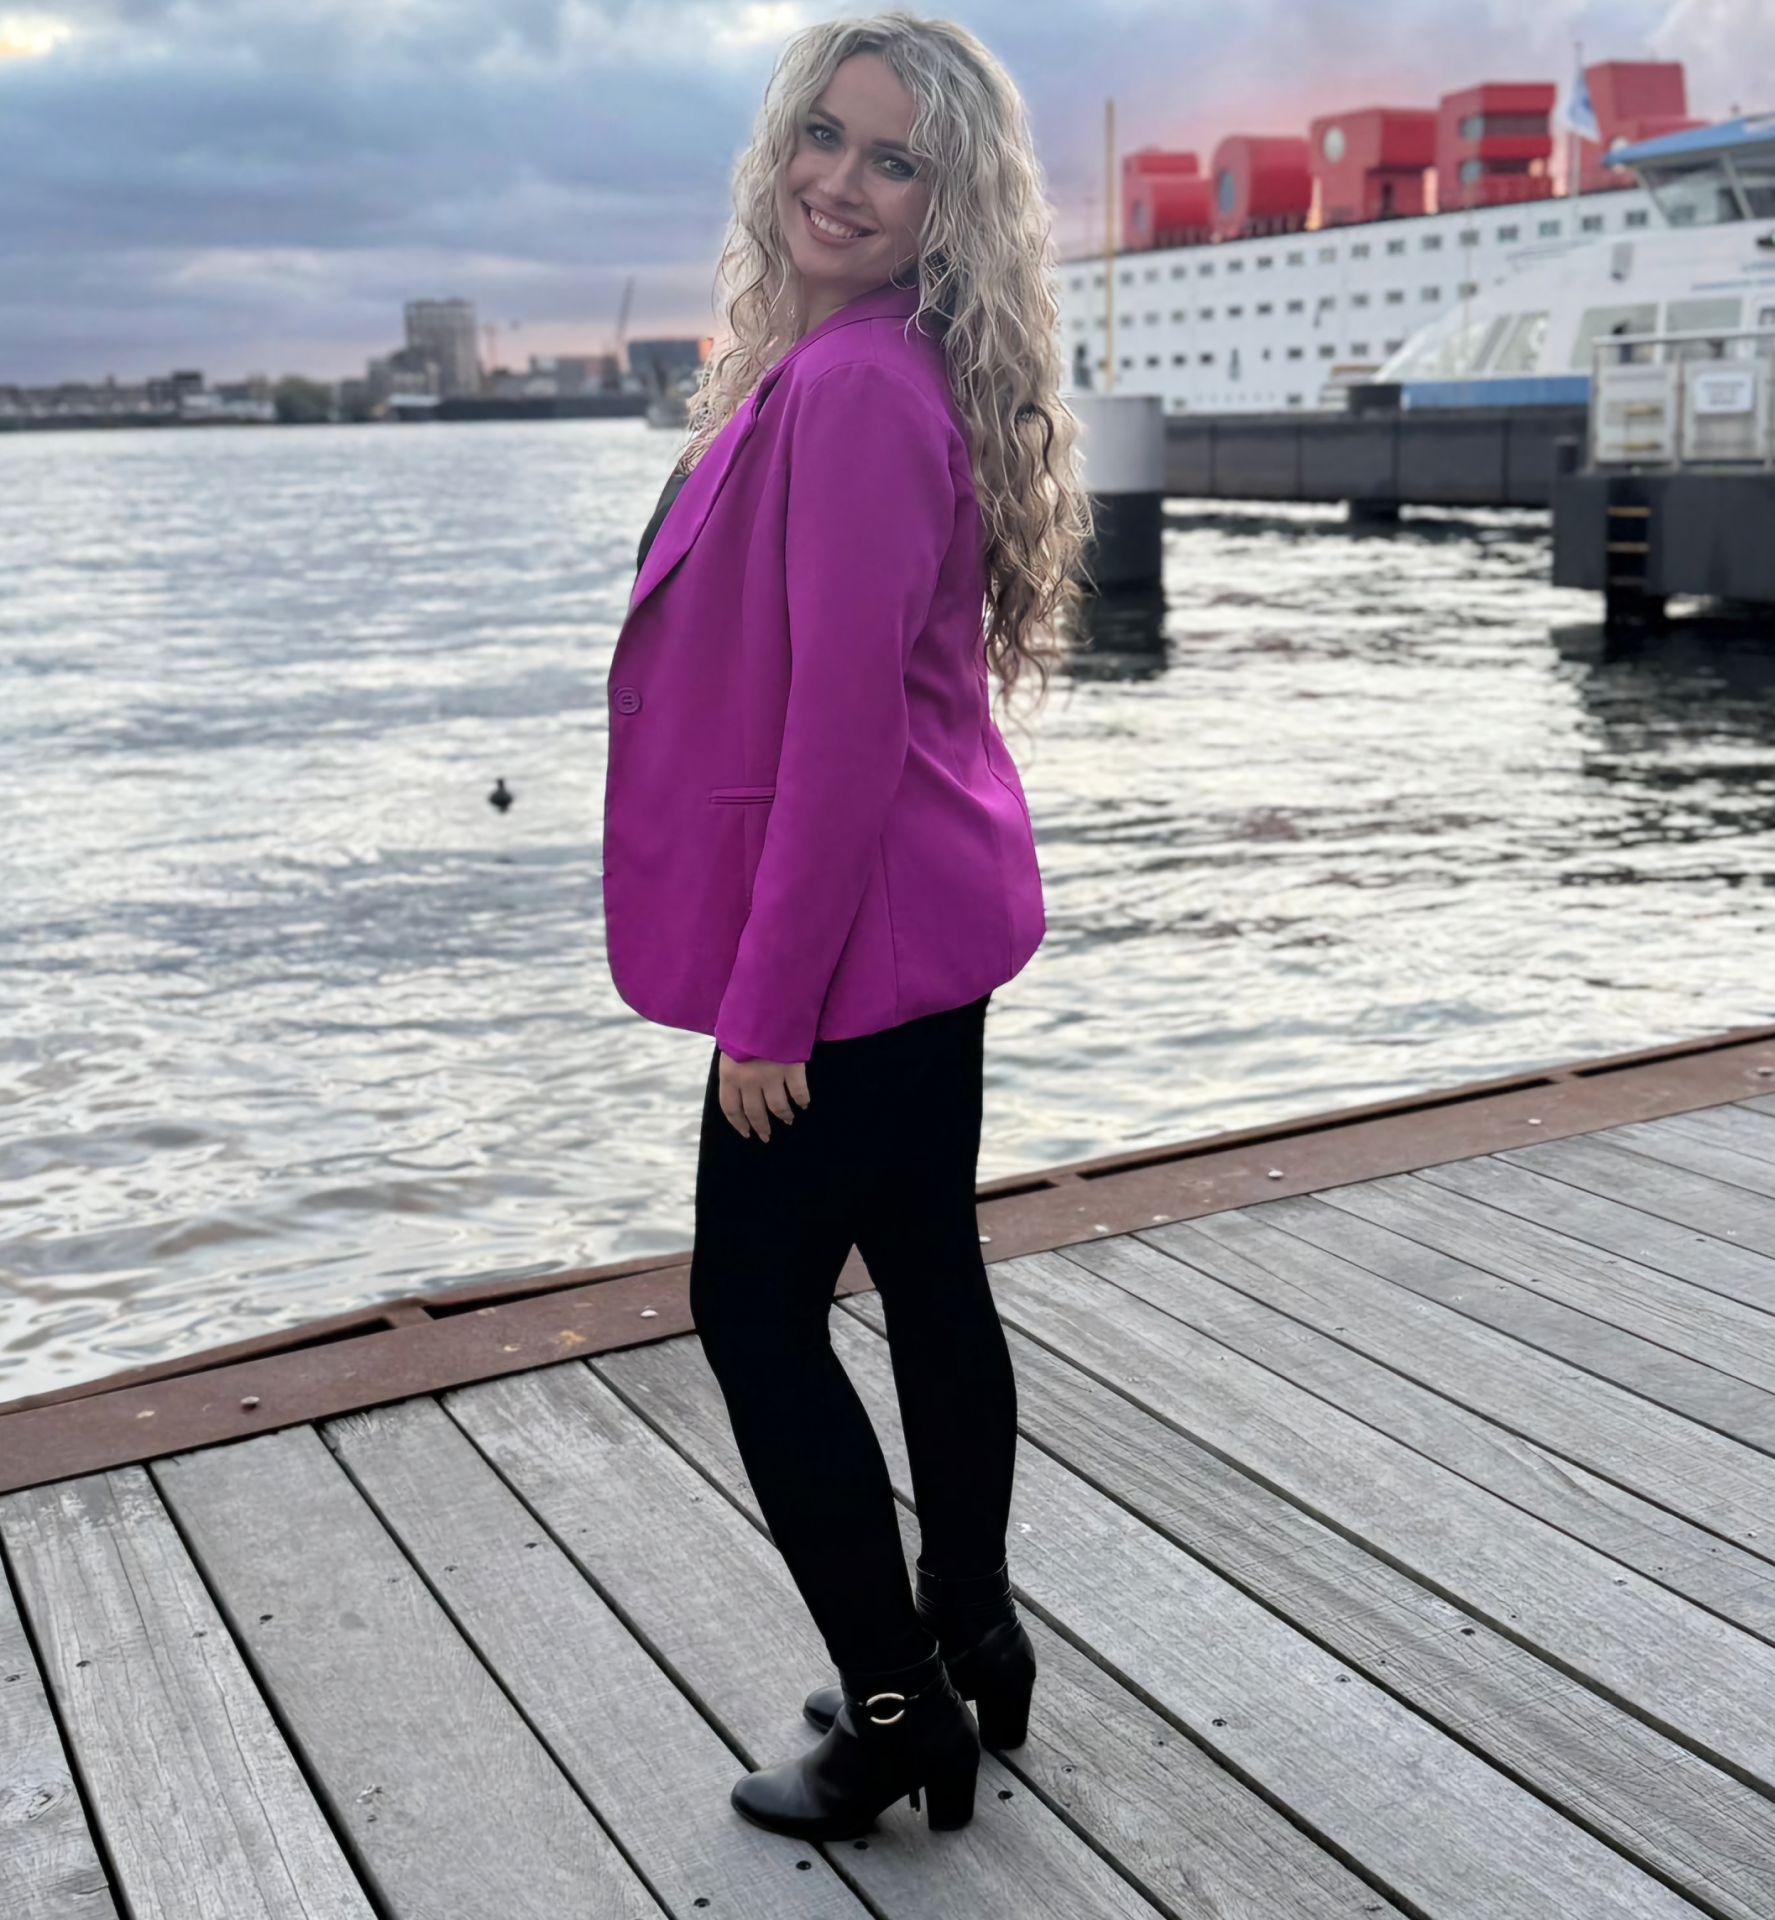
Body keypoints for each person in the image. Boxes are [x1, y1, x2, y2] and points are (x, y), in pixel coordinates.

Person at [601, 11, 1093, 1845]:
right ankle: (967, 1637)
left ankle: (893, 1715)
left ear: (950, 204)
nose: (840, 180)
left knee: (751, 1314)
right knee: (926, 1268)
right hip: (917, 924)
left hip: (846, 952)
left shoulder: (858, 390)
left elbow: (838, 732)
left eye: (895, 160)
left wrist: (767, 1011)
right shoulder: (858, 365)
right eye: (824, 135)